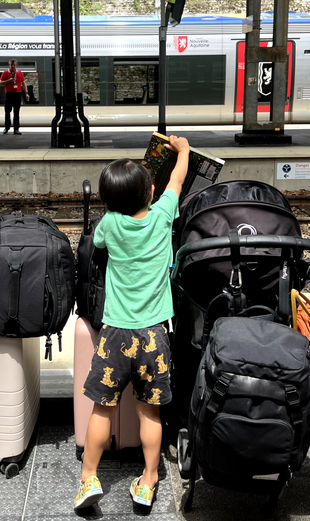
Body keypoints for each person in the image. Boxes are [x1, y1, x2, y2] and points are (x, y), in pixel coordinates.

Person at [74, 136, 190, 511]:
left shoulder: (109, 224)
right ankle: (149, 480)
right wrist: (183, 152)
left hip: (115, 333)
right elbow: (177, 183)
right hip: (154, 335)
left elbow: (101, 247)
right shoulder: (162, 216)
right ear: (151, 193)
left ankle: (88, 478)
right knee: (149, 412)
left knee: (102, 408)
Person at [0, 59, 28, 135]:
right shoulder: (5, 73)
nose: (13, 66)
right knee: (7, 111)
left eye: (14, 65)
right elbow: (0, 83)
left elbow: (24, 83)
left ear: (16, 65)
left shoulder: (20, 73)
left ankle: (16, 129)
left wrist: (26, 93)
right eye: (11, 65)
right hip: (9, 93)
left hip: (17, 94)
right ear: (9, 65)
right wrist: (9, 81)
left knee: (16, 112)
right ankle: (7, 127)